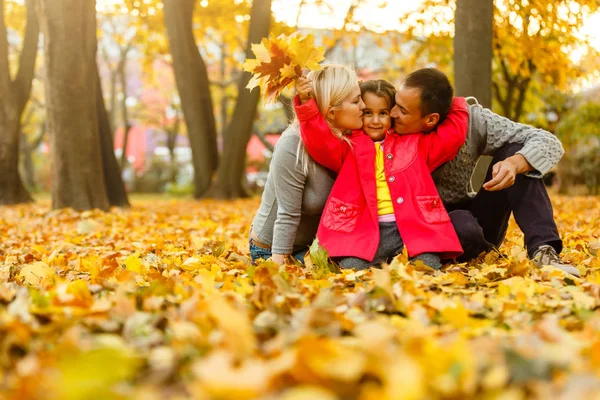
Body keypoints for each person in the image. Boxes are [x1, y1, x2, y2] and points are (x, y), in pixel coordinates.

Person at [390, 68, 580, 277]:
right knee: (463, 227)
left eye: (402, 110)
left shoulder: (473, 123)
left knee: (517, 152)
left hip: (471, 218)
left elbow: (549, 142)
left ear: (431, 119)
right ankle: (478, 251)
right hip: (419, 225)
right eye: (395, 104)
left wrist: (515, 163)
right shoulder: (382, 123)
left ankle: (544, 251)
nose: (392, 113)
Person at [294, 74, 469, 270]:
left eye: (383, 113)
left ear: (392, 113)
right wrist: (305, 102)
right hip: (362, 234)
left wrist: (453, 103)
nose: (375, 120)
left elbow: (452, 137)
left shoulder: (415, 143)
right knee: (351, 269)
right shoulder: (349, 147)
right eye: (368, 113)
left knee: (427, 267)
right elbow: (320, 141)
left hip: (412, 232)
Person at [249, 64, 365, 265]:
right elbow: (287, 214)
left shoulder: (351, 143)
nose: (363, 106)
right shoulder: (293, 144)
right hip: (273, 249)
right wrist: (278, 268)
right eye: (356, 101)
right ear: (331, 112)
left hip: (314, 247)